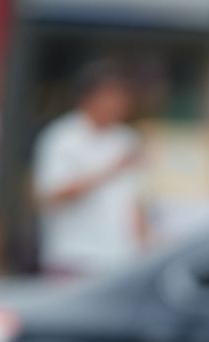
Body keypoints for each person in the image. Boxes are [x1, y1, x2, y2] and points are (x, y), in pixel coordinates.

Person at [33, 60, 147, 279]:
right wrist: (110, 170)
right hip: (74, 258)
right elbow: (52, 194)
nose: (119, 104)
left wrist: (144, 245)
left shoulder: (126, 139)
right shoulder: (62, 138)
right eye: (112, 96)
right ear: (88, 97)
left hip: (122, 259)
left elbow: (135, 200)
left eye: (123, 97)